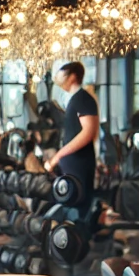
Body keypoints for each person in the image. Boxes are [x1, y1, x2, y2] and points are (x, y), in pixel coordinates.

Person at [43, 61, 100, 190]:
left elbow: (88, 133)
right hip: (73, 162)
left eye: (62, 76)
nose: (58, 80)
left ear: (72, 76)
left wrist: (58, 156)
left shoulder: (83, 99)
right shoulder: (76, 99)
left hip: (79, 163)